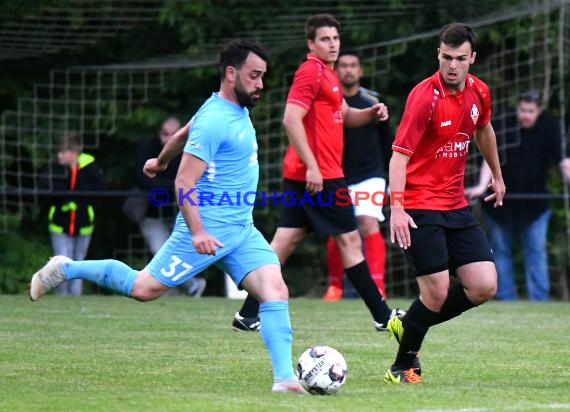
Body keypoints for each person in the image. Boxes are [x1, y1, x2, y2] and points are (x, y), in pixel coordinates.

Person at [29, 39, 304, 394]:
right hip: (206, 230)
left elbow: (180, 133)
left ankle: (285, 380)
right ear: (231, 73)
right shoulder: (217, 120)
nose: (260, 85)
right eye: (254, 76)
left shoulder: (226, 108)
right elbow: (185, 181)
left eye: (262, 77)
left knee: (275, 289)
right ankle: (66, 268)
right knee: (144, 289)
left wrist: (160, 161)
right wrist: (198, 232)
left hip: (240, 230)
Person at [232, 14, 401, 333]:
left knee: (285, 241)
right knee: (350, 240)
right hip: (319, 174)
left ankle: (247, 313)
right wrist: (312, 165)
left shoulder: (330, 74)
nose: (332, 44)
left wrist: (371, 112)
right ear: (311, 44)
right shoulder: (310, 71)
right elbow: (290, 119)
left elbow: (345, 115)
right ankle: (382, 315)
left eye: (335, 38)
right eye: (325, 39)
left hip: (307, 173)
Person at [384, 23, 505, 384]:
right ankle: (403, 366)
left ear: (472, 59)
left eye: (460, 59)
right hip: (420, 203)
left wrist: (497, 176)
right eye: (446, 57)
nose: (452, 65)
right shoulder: (424, 97)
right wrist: (397, 208)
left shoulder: (480, 92)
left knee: (484, 285)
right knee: (435, 292)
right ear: (438, 54)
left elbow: (483, 130)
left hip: (454, 204)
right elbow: (398, 157)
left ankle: (409, 324)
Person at [465, 90, 570, 301]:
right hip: (500, 204)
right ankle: (506, 299)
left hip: (536, 205)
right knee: (501, 251)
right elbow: (489, 157)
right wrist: (481, 186)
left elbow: (563, 161)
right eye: (523, 109)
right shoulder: (504, 122)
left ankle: (539, 301)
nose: (526, 115)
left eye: (531, 111)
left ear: (539, 110)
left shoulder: (550, 126)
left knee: (536, 251)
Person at [323, 50, 393, 301]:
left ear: (360, 71)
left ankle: (377, 287)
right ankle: (335, 286)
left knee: (367, 222)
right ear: (336, 69)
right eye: (344, 65)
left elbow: (387, 141)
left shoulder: (373, 101)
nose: (349, 70)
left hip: (370, 176)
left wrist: (391, 178)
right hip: (337, 175)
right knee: (340, 231)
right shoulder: (327, 102)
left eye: (353, 65)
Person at [132, 117, 206, 297]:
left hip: (179, 214)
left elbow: (191, 182)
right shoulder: (148, 149)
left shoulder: (189, 153)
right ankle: (189, 286)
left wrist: (175, 185)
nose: (169, 139)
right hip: (152, 214)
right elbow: (144, 181)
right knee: (161, 254)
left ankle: (189, 287)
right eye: (165, 134)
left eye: (174, 134)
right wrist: (176, 185)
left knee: (179, 255)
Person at [40, 132, 107, 295]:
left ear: (74, 152)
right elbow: (47, 188)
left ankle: (76, 298)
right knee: (61, 261)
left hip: (83, 225)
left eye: (62, 152)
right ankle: (62, 298)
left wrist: (76, 198)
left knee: (79, 264)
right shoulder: (54, 168)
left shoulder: (90, 166)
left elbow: (101, 188)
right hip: (59, 224)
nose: (59, 155)